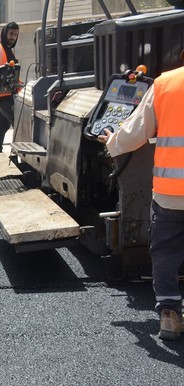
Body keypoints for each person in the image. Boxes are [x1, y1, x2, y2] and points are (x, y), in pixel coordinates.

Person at [99, 59, 184, 340]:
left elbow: (136, 132)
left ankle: (170, 314)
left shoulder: (165, 84)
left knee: (166, 252)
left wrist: (113, 142)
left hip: (171, 193)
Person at [0, 21, 21, 155]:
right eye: (11, 34)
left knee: (3, 125)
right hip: (0, 95)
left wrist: (19, 84)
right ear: (5, 33)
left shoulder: (9, 51)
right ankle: (19, 153)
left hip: (8, 94)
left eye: (16, 35)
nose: (13, 37)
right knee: (15, 122)